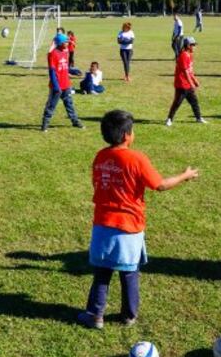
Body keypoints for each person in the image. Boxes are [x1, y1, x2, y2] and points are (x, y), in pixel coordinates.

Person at [76, 109, 199, 329]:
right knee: (129, 272)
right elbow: (159, 185)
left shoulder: (100, 156)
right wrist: (184, 175)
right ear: (126, 136)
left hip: (103, 225)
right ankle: (128, 315)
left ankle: (95, 315)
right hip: (129, 227)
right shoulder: (137, 159)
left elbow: (97, 183)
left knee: (102, 273)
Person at [41, 34, 83, 131]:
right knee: (51, 105)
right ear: (60, 43)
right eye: (65, 42)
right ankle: (45, 124)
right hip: (57, 86)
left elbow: (65, 67)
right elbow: (52, 71)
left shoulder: (65, 52)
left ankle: (75, 121)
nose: (68, 43)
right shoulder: (52, 54)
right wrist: (56, 86)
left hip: (66, 85)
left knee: (69, 104)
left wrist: (73, 71)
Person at [166, 37, 206, 126]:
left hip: (188, 84)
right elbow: (185, 71)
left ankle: (198, 118)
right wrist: (191, 83)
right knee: (177, 103)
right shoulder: (184, 55)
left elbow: (190, 70)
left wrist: (195, 80)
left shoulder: (190, 55)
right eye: (193, 45)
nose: (195, 47)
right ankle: (169, 119)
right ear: (188, 46)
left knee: (194, 102)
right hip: (181, 84)